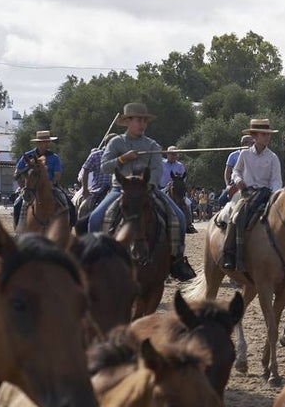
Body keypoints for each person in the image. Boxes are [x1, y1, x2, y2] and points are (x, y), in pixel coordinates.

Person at [91, 102, 196, 280]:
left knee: (179, 217)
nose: (142, 124)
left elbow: (157, 169)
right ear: (128, 121)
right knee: (95, 218)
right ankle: (95, 260)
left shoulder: (152, 145)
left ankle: (177, 261)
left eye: (144, 121)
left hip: (148, 190)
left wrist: (148, 185)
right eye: (138, 120)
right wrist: (123, 158)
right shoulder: (116, 142)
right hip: (121, 190)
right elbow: (104, 167)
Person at [221, 119, 284, 270]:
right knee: (236, 216)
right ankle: (229, 252)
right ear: (255, 136)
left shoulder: (273, 157)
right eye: (264, 134)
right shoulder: (245, 154)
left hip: (267, 194)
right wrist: (238, 180)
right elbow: (236, 171)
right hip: (246, 193)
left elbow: (276, 180)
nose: (267, 137)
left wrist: (275, 194)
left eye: (268, 134)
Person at [13, 129, 73, 228]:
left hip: (50, 186)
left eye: (46, 142)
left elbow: (57, 174)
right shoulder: (28, 156)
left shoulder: (54, 157)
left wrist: (51, 183)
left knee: (67, 202)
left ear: (49, 143)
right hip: (30, 188)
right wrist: (23, 186)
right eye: (41, 142)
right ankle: (18, 229)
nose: (44, 144)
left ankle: (68, 227)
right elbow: (17, 172)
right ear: (37, 143)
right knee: (18, 204)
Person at [160, 146, 195, 233]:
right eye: (172, 154)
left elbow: (183, 178)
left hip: (177, 190)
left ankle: (189, 224)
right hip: (162, 188)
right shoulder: (161, 163)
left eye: (175, 154)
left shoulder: (180, 166)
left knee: (188, 204)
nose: (173, 156)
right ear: (167, 154)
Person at [77, 145, 112, 229]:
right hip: (99, 189)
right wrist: (85, 190)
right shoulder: (96, 155)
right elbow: (85, 170)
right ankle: (82, 230)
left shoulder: (122, 154)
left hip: (116, 189)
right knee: (83, 208)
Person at [217, 135, 254, 207]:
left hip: (250, 182)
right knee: (221, 200)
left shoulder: (254, 155)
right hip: (236, 182)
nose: (253, 145)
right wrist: (227, 185)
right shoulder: (233, 155)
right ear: (244, 144)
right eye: (251, 143)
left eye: (253, 143)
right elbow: (227, 171)